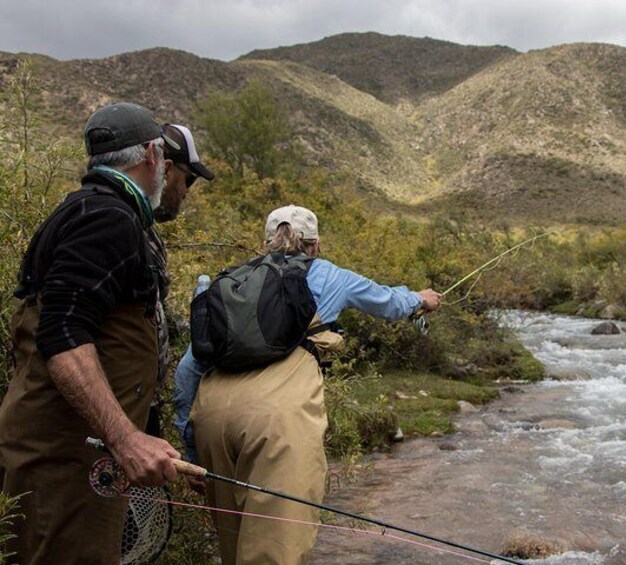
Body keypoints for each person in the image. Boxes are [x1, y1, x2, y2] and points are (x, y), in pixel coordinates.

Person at [177, 205, 442, 564]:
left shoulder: (233, 282)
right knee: (277, 549)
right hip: (277, 421)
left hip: (212, 419)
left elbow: (188, 369)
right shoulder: (331, 276)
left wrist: (191, 449)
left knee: (232, 545)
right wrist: (421, 299)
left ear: (264, 243)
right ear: (315, 245)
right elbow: (389, 303)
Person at [0, 102, 185, 564]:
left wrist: (144, 438)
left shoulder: (87, 208)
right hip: (66, 459)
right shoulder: (107, 219)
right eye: (164, 156)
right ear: (151, 155)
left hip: (74, 450)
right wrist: (126, 440)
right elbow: (63, 334)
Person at [145, 123, 214, 439]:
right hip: (116, 420)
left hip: (140, 409)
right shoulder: (114, 224)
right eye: (190, 179)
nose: (188, 190)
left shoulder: (144, 228)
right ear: (167, 169)